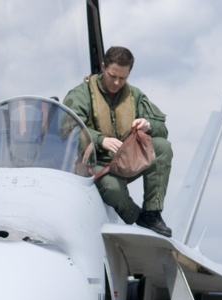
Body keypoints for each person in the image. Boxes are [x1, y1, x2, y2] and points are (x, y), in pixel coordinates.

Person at [64, 46, 173, 237]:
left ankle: (153, 213)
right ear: (103, 67)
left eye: (122, 78)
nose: (116, 82)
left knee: (162, 147)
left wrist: (148, 125)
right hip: (94, 164)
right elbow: (67, 129)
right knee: (112, 187)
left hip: (125, 159)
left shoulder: (135, 96)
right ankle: (136, 216)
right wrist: (100, 140)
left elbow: (163, 130)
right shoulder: (81, 94)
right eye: (112, 76)